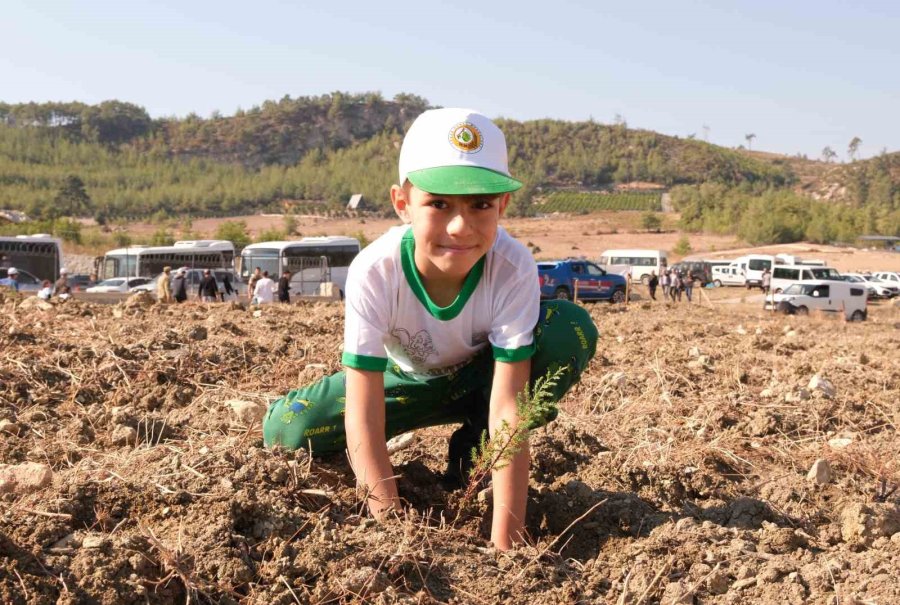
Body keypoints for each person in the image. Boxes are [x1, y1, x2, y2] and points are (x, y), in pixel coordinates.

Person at [262, 108, 598, 551]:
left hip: (483, 377)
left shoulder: (512, 265)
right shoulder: (376, 271)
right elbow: (363, 410)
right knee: (288, 430)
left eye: (481, 205)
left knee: (568, 328)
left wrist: (508, 545)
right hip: (407, 381)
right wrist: (391, 531)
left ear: (503, 205)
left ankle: (469, 464)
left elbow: (508, 409)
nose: (460, 227)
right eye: (438, 203)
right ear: (402, 204)